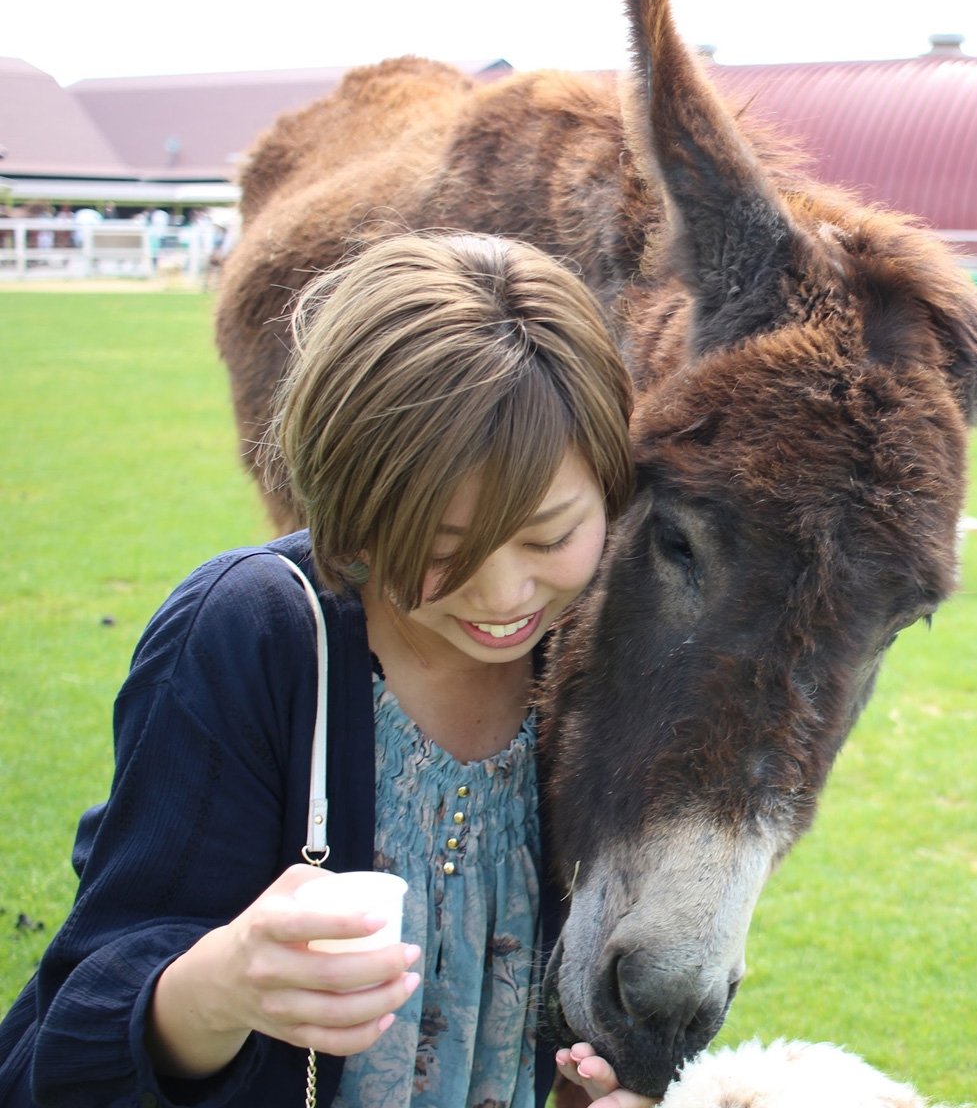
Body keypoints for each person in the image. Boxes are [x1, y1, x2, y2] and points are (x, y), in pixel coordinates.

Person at [0, 233, 652, 1108]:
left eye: (549, 536)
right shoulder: (253, 635)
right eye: (441, 545)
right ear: (349, 497)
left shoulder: (604, 661)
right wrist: (223, 985)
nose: (503, 594)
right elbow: (75, 1043)